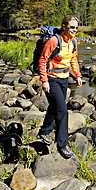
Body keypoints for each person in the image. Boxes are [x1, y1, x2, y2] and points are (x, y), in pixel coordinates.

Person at [37, 15, 82, 158]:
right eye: (72, 27)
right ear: (64, 26)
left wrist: (77, 75)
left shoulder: (73, 42)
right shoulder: (54, 40)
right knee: (62, 110)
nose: (74, 30)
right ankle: (62, 144)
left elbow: (73, 60)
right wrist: (44, 80)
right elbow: (43, 60)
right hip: (51, 79)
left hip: (64, 79)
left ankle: (44, 131)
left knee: (54, 106)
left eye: (76, 27)